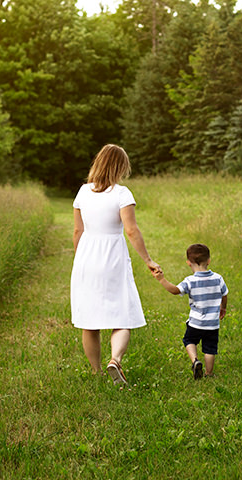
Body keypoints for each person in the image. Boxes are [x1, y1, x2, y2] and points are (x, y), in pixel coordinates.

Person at [70, 144, 161, 385]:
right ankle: (115, 360)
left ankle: (96, 372)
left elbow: (78, 231)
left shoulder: (82, 192)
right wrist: (148, 260)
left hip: (87, 257)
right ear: (121, 167)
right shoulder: (121, 194)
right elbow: (131, 230)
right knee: (121, 314)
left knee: (89, 320)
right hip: (112, 257)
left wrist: (80, 261)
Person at [153, 243, 228, 379]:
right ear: (209, 260)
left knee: (189, 340)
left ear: (188, 263)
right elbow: (225, 294)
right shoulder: (218, 279)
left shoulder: (190, 281)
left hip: (195, 323)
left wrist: (162, 280)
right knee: (210, 349)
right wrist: (223, 308)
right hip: (212, 324)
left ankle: (195, 361)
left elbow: (176, 291)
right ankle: (209, 373)